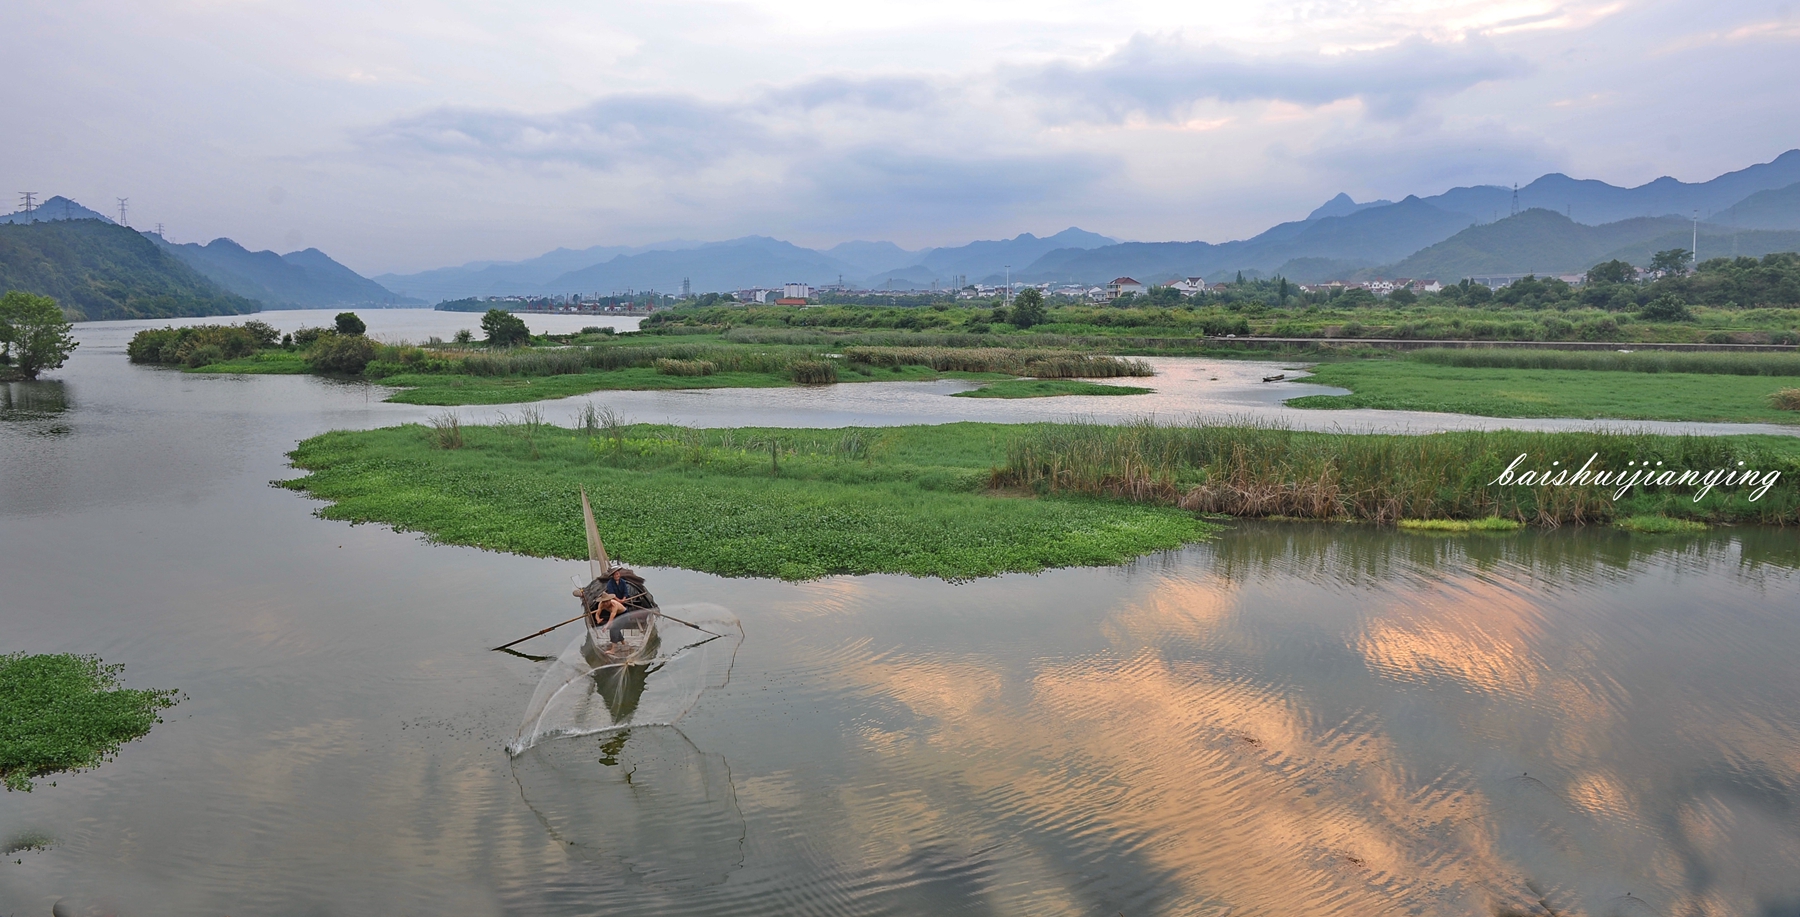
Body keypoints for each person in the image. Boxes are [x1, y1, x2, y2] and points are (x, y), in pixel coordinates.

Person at [572, 565, 655, 650]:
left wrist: (623, 599)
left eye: (618, 574)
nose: (617, 575)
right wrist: (598, 619)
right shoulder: (609, 586)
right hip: (616, 600)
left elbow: (625, 592)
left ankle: (613, 649)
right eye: (616, 574)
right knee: (614, 628)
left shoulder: (622, 584)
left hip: (623, 610)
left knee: (613, 629)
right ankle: (623, 643)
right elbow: (610, 598)